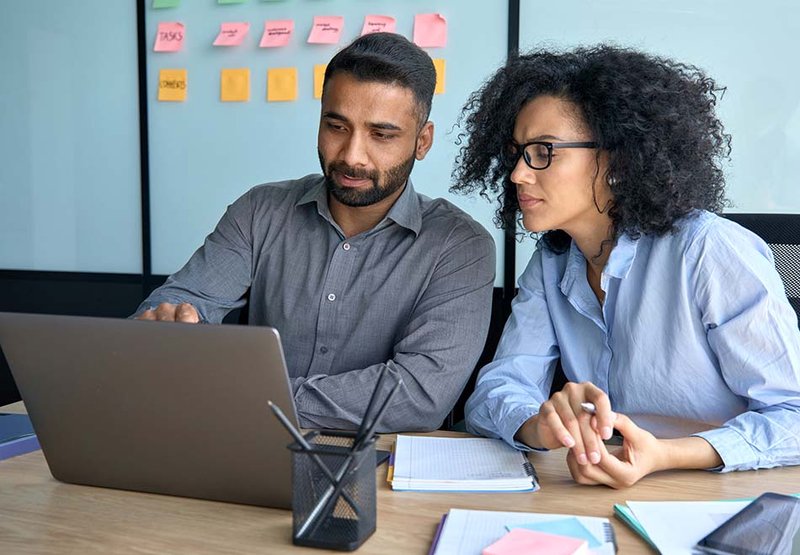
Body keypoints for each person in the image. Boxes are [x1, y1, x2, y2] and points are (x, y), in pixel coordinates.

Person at [453, 45, 800, 487]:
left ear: (616, 159)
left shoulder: (708, 251)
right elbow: (496, 391)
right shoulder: (553, 261)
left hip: (724, 498)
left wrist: (663, 454)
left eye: (543, 151)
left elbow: (794, 415)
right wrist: (540, 425)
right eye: (517, 152)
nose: (518, 174)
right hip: (607, 495)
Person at [134, 33, 496, 432]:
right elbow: (185, 298)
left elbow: (417, 396)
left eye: (382, 135)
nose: (352, 155)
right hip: (249, 445)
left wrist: (245, 396)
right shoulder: (260, 211)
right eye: (337, 126)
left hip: (383, 470)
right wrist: (171, 321)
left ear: (422, 141)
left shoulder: (459, 246)